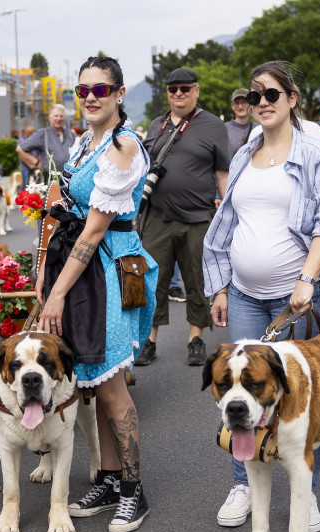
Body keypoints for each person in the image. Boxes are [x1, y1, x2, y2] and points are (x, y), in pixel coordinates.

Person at [202, 60, 320, 532]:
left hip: (298, 300)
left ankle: (304, 492)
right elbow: (229, 223)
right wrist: (222, 284)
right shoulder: (247, 149)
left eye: (272, 94)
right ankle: (243, 485)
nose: (262, 103)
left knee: (302, 398)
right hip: (247, 295)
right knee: (240, 391)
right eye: (254, 97)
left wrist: (308, 279)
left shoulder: (314, 153)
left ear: (292, 99)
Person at [37, 56, 158, 532]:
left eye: (100, 90)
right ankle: (109, 478)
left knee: (111, 383)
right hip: (84, 267)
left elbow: (92, 234)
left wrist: (55, 295)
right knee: (95, 379)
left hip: (106, 267)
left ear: (119, 93)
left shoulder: (123, 147)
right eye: (82, 89)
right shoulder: (88, 142)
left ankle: (134, 490)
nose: (90, 97)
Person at [137, 67, 230, 367]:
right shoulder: (156, 125)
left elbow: (222, 172)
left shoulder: (213, 125)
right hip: (158, 218)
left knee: (197, 280)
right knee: (153, 281)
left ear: (196, 90)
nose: (178, 93)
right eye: (173, 88)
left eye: (185, 88)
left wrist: (229, 211)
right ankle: (149, 341)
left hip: (198, 217)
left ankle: (196, 339)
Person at [17, 104, 75, 185]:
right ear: (50, 117)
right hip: (50, 182)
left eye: (61, 116)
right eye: (56, 116)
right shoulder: (43, 133)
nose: (58, 118)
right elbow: (20, 149)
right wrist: (37, 163)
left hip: (70, 182)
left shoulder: (71, 134)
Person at [226, 87, 258, 157]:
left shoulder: (259, 129)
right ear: (232, 106)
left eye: (244, 102)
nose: (240, 107)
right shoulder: (223, 129)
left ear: (251, 104)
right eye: (237, 103)